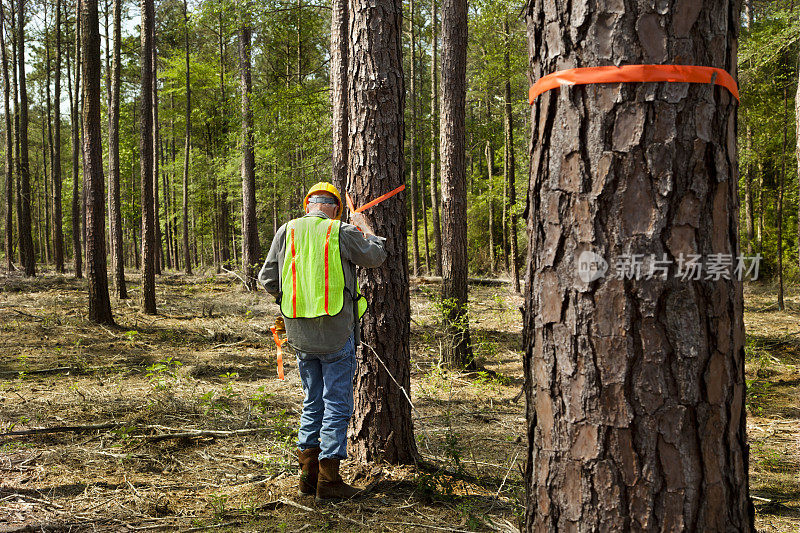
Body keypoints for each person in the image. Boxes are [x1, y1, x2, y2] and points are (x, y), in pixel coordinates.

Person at [258, 182, 386, 500]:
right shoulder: (339, 230)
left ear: (308, 206)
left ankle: (306, 478)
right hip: (336, 333)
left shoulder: (286, 231)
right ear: (335, 209)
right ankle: (329, 481)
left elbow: (268, 279)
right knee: (337, 405)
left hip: (299, 335)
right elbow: (376, 256)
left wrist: (291, 302)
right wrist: (366, 227)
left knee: (312, 402)